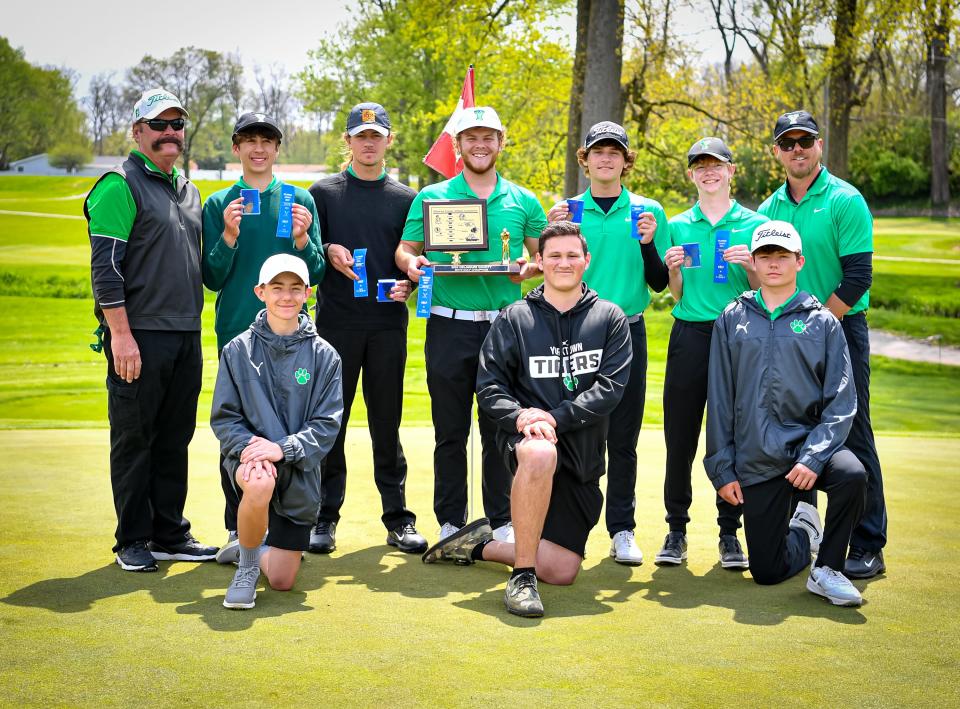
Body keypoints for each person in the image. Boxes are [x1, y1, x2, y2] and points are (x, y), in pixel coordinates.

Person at [422, 222, 632, 617]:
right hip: (527, 445)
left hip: (582, 455)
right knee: (538, 453)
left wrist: (553, 417)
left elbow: (610, 389)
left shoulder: (610, 318)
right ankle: (521, 577)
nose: (563, 263)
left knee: (563, 570)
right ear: (539, 261)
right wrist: (522, 418)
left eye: (572, 255)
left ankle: (478, 545)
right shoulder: (515, 318)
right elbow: (489, 388)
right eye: (554, 255)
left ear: (587, 260)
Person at [396, 106, 547, 544]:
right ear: (457, 145)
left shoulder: (523, 200)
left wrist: (528, 267)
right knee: (450, 429)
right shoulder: (432, 196)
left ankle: (501, 519)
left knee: (500, 427)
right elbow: (404, 250)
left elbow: (542, 256)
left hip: (504, 329)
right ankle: (450, 518)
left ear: (501, 142)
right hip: (448, 325)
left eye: (488, 137)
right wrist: (414, 264)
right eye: (471, 137)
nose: (480, 144)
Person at [85, 88, 217, 571]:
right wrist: (120, 334)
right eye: (158, 125)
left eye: (176, 125)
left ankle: (169, 533)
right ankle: (133, 539)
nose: (169, 134)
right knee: (135, 438)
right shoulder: (118, 185)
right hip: (138, 334)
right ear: (138, 131)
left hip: (186, 333)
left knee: (173, 436)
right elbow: (106, 270)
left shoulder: (187, 189)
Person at [705, 221, 867, 607]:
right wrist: (722, 468)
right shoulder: (732, 318)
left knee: (852, 474)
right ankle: (804, 531)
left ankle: (828, 568)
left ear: (799, 261)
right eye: (765, 256)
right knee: (766, 572)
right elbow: (720, 399)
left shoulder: (823, 321)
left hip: (809, 449)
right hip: (758, 455)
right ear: (755, 263)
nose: (773, 264)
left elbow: (842, 401)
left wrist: (814, 456)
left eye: (782, 256)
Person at [758, 110, 885, 579]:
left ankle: (868, 542)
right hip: (789, 333)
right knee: (797, 427)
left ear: (818, 145)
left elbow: (857, 278)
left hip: (840, 328)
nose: (797, 149)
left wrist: (816, 328)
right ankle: (804, 534)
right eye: (787, 143)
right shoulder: (770, 209)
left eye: (804, 141)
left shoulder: (844, 200)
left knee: (853, 432)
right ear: (777, 152)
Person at [201, 112, 325, 564]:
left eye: (266, 141)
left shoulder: (299, 200)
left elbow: (318, 273)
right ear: (236, 148)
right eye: (249, 141)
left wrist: (303, 239)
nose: (258, 149)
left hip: (292, 338)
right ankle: (238, 528)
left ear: (277, 149)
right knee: (237, 431)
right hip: (238, 332)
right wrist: (229, 237)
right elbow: (212, 277)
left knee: (292, 429)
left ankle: (289, 528)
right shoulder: (218, 204)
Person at [545, 121, 668, 566]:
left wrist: (650, 243)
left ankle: (622, 529)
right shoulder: (565, 210)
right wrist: (551, 229)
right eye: (598, 151)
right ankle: (560, 529)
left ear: (625, 160)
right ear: (585, 158)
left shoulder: (646, 211)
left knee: (623, 435)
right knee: (569, 430)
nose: (606, 158)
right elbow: (550, 270)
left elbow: (657, 283)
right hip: (573, 331)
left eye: (615, 152)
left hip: (627, 331)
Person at [306, 102, 426, 555]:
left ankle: (397, 519)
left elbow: (413, 263)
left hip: (387, 326)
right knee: (330, 423)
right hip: (335, 325)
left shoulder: (406, 199)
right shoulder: (322, 193)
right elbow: (308, 255)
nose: (369, 142)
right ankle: (324, 517)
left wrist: (409, 289)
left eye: (377, 135)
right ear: (349, 140)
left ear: (388, 140)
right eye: (361, 135)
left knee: (386, 423)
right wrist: (330, 245)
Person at [654, 137, 768, 569]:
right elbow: (676, 293)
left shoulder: (755, 223)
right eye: (700, 166)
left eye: (716, 165)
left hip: (740, 333)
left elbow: (762, 290)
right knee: (680, 435)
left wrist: (750, 268)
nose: (708, 172)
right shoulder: (678, 224)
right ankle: (676, 529)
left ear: (731, 171)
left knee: (735, 435)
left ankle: (729, 533)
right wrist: (674, 270)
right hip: (690, 333)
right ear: (691, 175)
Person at [211, 254, 343, 609]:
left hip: (298, 469)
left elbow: (327, 425)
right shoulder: (237, 350)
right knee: (259, 481)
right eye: (277, 288)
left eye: (295, 289)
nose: (286, 297)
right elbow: (225, 419)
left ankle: (249, 545)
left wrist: (282, 448)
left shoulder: (326, 355)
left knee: (284, 581)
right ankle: (248, 569)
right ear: (261, 292)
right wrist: (252, 448)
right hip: (251, 460)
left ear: (308, 294)